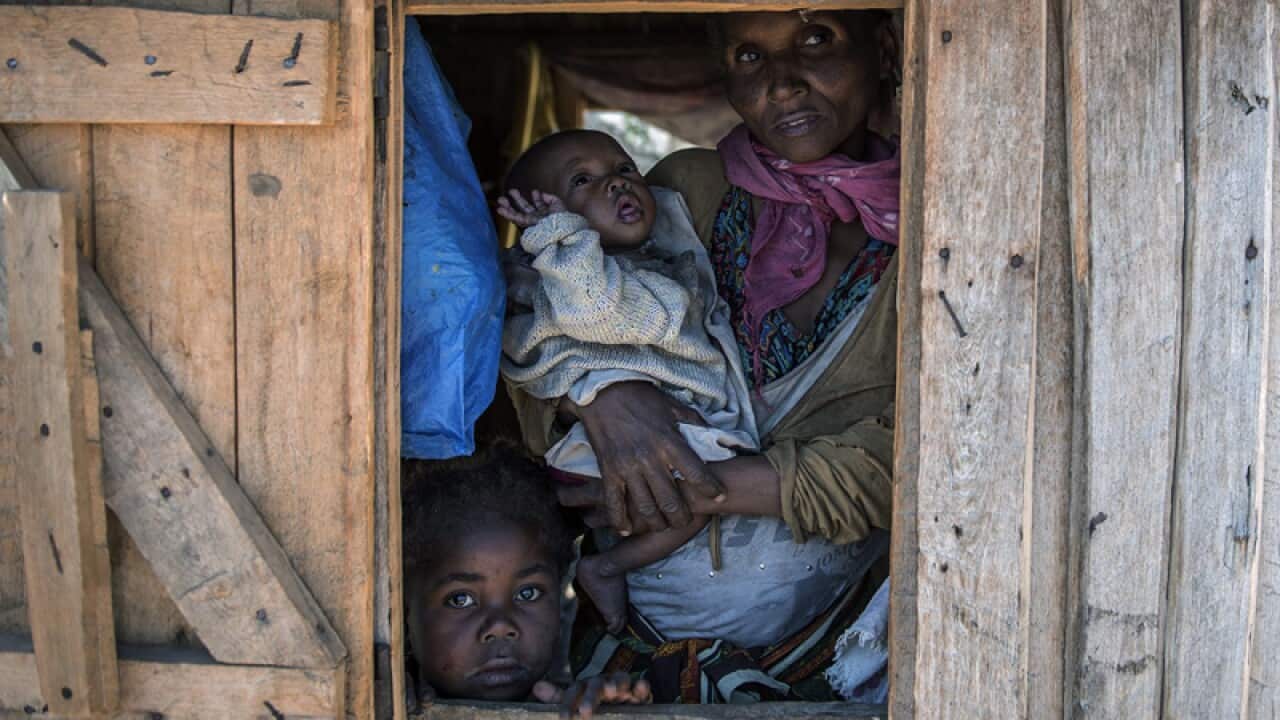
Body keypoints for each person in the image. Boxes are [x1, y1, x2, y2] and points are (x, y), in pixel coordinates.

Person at [507, 9, 902, 704]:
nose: (781, 84)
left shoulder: (942, 227)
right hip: (630, 639)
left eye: (816, 39)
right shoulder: (686, 190)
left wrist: (706, 482)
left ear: (885, 50)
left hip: (825, 648)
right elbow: (544, 319)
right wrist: (602, 397)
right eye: (750, 56)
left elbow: (922, 463)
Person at [496, 129, 759, 635]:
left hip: (612, 443)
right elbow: (598, 308)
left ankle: (604, 571)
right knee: (708, 492)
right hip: (609, 447)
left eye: (624, 170)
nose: (616, 186)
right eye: (583, 181)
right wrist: (560, 236)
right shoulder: (577, 278)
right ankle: (607, 568)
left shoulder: (629, 262)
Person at [402, 443, 654, 717]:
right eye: (460, 599)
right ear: (403, 611)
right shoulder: (370, 701)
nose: (500, 627)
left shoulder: (584, 704)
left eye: (528, 593)